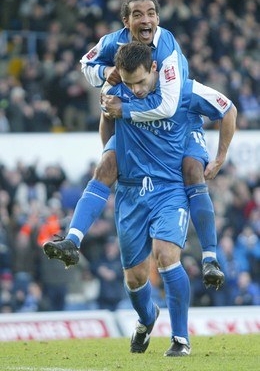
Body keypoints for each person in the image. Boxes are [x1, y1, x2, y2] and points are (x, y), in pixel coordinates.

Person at [45, 41, 237, 356]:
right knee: (134, 280)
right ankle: (147, 319)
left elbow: (227, 107)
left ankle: (180, 338)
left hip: (169, 187)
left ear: (154, 68)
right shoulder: (116, 89)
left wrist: (219, 157)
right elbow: (106, 120)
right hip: (132, 191)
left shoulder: (183, 91)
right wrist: (110, 151)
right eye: (128, 83)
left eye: (140, 82)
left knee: (166, 256)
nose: (135, 91)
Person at [43, 0, 233, 289]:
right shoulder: (111, 43)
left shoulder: (167, 48)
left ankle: (210, 256)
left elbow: (169, 107)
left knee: (193, 170)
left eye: (151, 14)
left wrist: (220, 156)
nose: (146, 20)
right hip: (137, 115)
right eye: (138, 14)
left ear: (158, 17)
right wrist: (108, 73)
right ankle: (72, 240)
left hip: (180, 118)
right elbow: (86, 66)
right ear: (126, 21)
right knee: (106, 165)